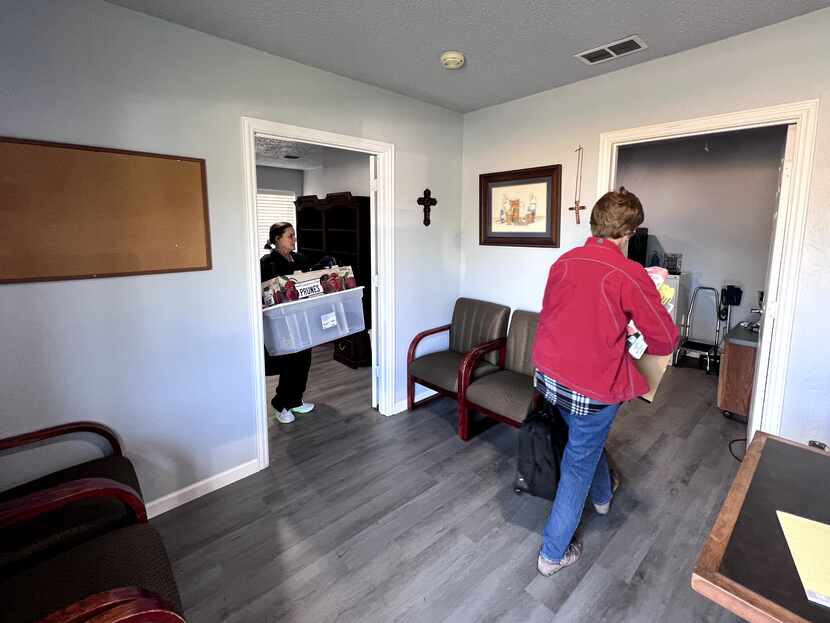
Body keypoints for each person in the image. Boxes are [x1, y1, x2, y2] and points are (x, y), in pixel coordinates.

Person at [532, 187, 679, 577]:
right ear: (628, 232)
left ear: (596, 224)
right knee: (578, 460)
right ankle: (552, 555)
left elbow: (559, 315)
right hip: (592, 386)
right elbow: (665, 339)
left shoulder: (564, 262)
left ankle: (602, 497)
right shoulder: (628, 273)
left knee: (584, 442)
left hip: (550, 376)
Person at [261, 222, 316, 424]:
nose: (294, 239)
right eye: (290, 236)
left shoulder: (300, 258)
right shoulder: (267, 262)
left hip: (302, 317)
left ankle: (296, 400)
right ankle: (281, 404)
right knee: (289, 362)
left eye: (294, 235)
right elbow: (264, 291)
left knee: (304, 360)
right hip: (281, 321)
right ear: (277, 239)